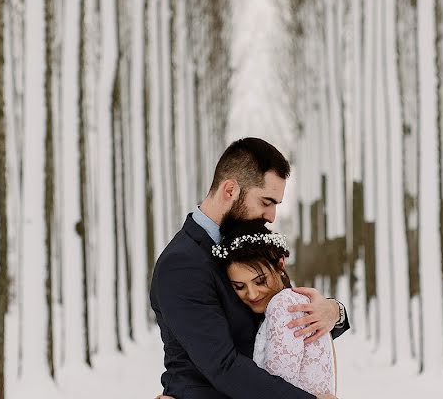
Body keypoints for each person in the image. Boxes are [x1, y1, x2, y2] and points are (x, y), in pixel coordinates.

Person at [149, 137, 348, 399]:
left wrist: (333, 311)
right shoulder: (182, 264)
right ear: (230, 190)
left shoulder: (249, 246)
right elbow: (223, 366)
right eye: (266, 202)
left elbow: (282, 324)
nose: (271, 216)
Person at [213, 218, 336, 396]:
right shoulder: (296, 301)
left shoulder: (283, 305)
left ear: (280, 264)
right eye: (239, 286)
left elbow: (275, 391)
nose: (252, 294)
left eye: (260, 281)